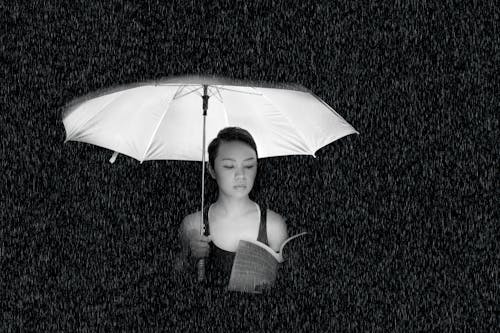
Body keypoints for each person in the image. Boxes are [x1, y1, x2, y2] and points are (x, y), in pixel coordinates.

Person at [175, 127, 288, 288]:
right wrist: (190, 257)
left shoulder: (273, 225)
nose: (241, 175)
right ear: (211, 169)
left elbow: (286, 285)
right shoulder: (193, 223)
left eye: (249, 166)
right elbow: (175, 278)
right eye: (229, 166)